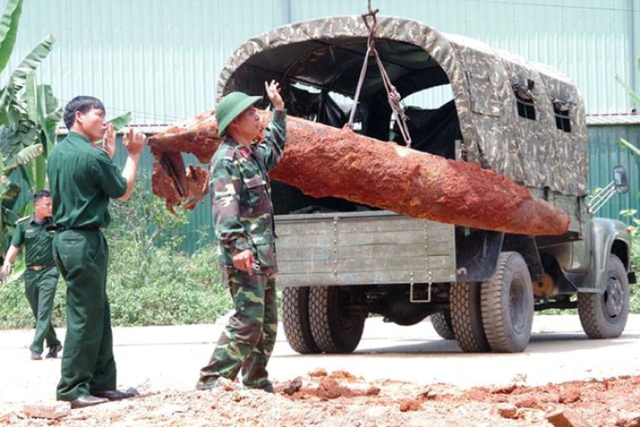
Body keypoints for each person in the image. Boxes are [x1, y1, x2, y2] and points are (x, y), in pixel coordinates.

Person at [46, 96, 146, 409]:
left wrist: (108, 153)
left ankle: (102, 384)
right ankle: (72, 388)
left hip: (65, 241)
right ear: (79, 116)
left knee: (97, 310)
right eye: (99, 115)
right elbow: (122, 191)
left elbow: (87, 182)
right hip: (84, 242)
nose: (105, 122)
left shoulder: (58, 153)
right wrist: (133, 155)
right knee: (85, 315)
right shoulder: (92, 157)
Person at [196, 80, 286, 393]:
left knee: (267, 324)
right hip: (245, 256)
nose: (257, 117)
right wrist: (237, 247)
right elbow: (224, 208)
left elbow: (275, 148)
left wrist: (279, 111)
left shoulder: (252, 154)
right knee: (248, 322)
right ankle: (210, 380)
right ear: (235, 122)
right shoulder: (226, 160)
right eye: (251, 114)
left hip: (263, 254)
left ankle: (257, 382)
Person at [1, 190, 62, 361]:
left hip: (50, 271)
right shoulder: (24, 225)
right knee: (37, 310)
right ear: (36, 206)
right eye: (47, 204)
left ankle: (36, 348)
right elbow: (15, 245)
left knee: (43, 310)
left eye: (51, 204)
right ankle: (54, 343)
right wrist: (7, 263)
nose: (51, 207)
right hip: (30, 273)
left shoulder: (56, 224)